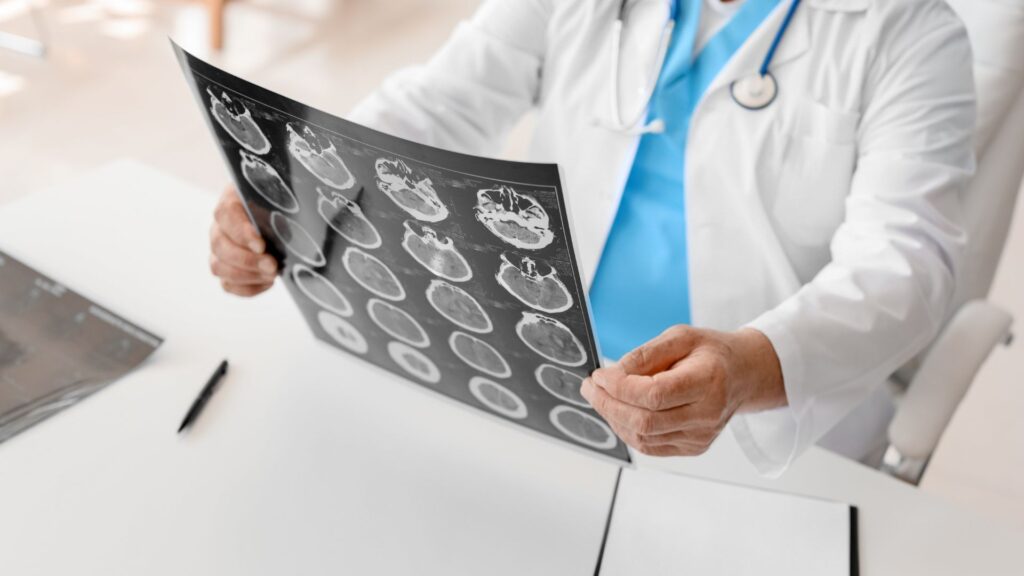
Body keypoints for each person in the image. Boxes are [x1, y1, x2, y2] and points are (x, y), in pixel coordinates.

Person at [207, 0, 976, 475]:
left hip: (754, 430)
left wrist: (746, 369)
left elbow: (905, 262)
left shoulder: (911, 31)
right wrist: (290, 190)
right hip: (540, 376)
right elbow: (436, 104)